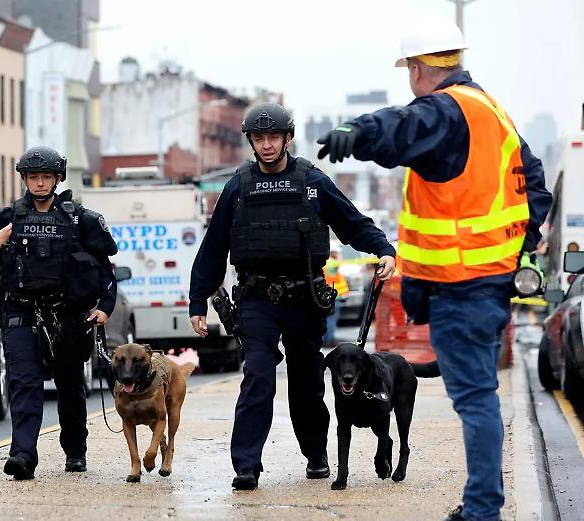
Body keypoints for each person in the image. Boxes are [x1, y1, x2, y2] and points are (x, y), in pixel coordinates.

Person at [316, 20, 552, 521]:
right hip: (485, 286)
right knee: (478, 396)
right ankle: (482, 504)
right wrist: (517, 251)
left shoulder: (448, 109)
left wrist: (357, 131)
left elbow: (405, 126)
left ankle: (483, 510)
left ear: (418, 69)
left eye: (409, 71)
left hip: (461, 289)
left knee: (474, 401)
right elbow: (536, 187)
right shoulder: (492, 112)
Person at [189, 102, 396, 490]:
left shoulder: (312, 181)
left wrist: (383, 249)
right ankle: (246, 466)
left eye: (273, 137)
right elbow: (213, 248)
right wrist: (198, 301)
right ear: (251, 141)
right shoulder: (237, 187)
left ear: (287, 138)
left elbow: (353, 222)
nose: (266, 145)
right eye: (259, 138)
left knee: (306, 383)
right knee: (258, 378)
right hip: (256, 300)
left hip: (304, 299)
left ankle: (316, 455)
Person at [0, 146, 118, 480]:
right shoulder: (5, 218)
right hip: (20, 312)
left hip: (67, 315)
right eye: (33, 178)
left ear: (57, 179)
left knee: (70, 384)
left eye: (46, 177)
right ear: (24, 179)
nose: (39, 184)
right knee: (24, 383)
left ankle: (75, 451)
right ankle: (23, 455)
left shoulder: (81, 220)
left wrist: (105, 307)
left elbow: (106, 270)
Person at [322, 247, 349, 347]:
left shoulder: (322, 262)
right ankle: (329, 340)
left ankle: (323, 340)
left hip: (323, 295)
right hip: (334, 296)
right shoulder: (333, 263)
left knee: (324, 319)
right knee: (332, 319)